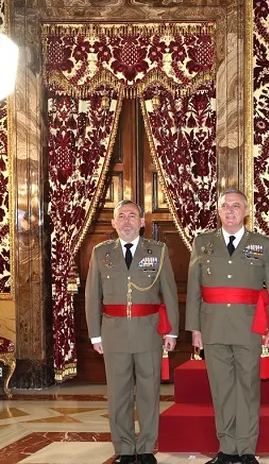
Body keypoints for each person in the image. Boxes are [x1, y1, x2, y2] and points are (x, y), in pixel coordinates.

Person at [185, 189, 269, 464]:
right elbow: (194, 289)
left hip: (249, 327)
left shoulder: (262, 244)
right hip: (212, 326)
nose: (230, 210)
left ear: (246, 211)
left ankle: (246, 448)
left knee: (248, 388)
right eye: (225, 206)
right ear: (218, 210)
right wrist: (195, 329)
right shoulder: (203, 243)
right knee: (221, 388)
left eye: (236, 206)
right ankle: (227, 447)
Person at [85, 199, 179, 464]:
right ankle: (125, 448)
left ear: (141, 222)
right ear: (113, 223)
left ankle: (146, 446)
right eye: (121, 216)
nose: (126, 221)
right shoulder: (101, 253)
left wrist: (171, 332)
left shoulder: (157, 251)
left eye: (132, 216)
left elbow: (169, 293)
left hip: (149, 331)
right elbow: (92, 296)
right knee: (118, 393)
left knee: (149, 391)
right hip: (113, 333)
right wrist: (95, 334)